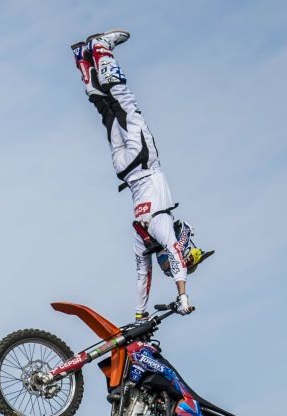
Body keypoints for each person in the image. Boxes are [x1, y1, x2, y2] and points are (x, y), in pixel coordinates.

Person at [71, 30, 213, 320]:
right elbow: (142, 276)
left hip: (143, 162)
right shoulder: (144, 238)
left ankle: (100, 49)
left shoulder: (162, 227)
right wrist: (139, 314)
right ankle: (84, 60)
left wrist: (182, 295)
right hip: (124, 169)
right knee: (107, 112)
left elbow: (174, 254)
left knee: (123, 102)